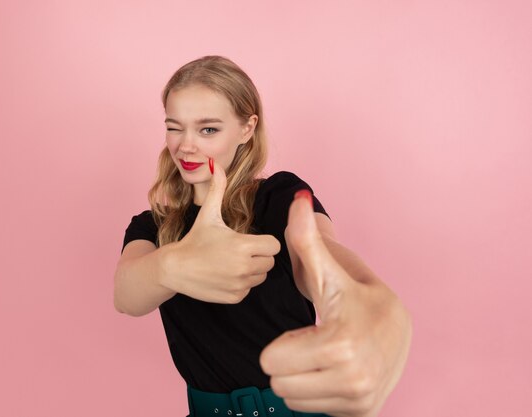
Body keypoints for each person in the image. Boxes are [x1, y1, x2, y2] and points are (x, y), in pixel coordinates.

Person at [114, 55, 412, 417]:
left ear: (246, 128)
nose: (186, 146)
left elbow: (318, 252)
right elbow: (127, 294)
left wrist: (380, 311)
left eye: (207, 129)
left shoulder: (277, 197)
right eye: (175, 127)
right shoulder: (152, 226)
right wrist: (171, 264)